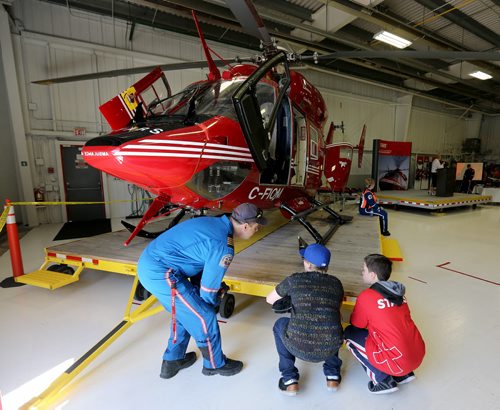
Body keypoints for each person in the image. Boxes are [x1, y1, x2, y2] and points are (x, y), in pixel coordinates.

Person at [137, 203, 267, 379]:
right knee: (204, 315)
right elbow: (207, 291)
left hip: (155, 264)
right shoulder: (223, 245)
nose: (257, 230)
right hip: (161, 272)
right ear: (245, 226)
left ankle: (173, 360)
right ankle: (214, 364)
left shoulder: (215, 224)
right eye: (256, 227)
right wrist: (212, 301)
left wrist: (209, 293)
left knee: (187, 312)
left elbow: (199, 262)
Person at [266, 244, 344, 396]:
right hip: (329, 348)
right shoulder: (336, 284)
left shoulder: (294, 280)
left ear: (308, 264)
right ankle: (332, 376)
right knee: (331, 322)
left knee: (279, 324)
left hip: (297, 346)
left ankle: (290, 380)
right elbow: (337, 310)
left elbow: (270, 300)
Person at [344, 254, 425, 395]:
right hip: (417, 355)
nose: (362, 272)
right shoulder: (400, 295)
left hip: (398, 360)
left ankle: (382, 380)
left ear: (373, 275)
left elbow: (357, 324)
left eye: (364, 269)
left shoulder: (366, 296)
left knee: (349, 333)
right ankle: (403, 374)